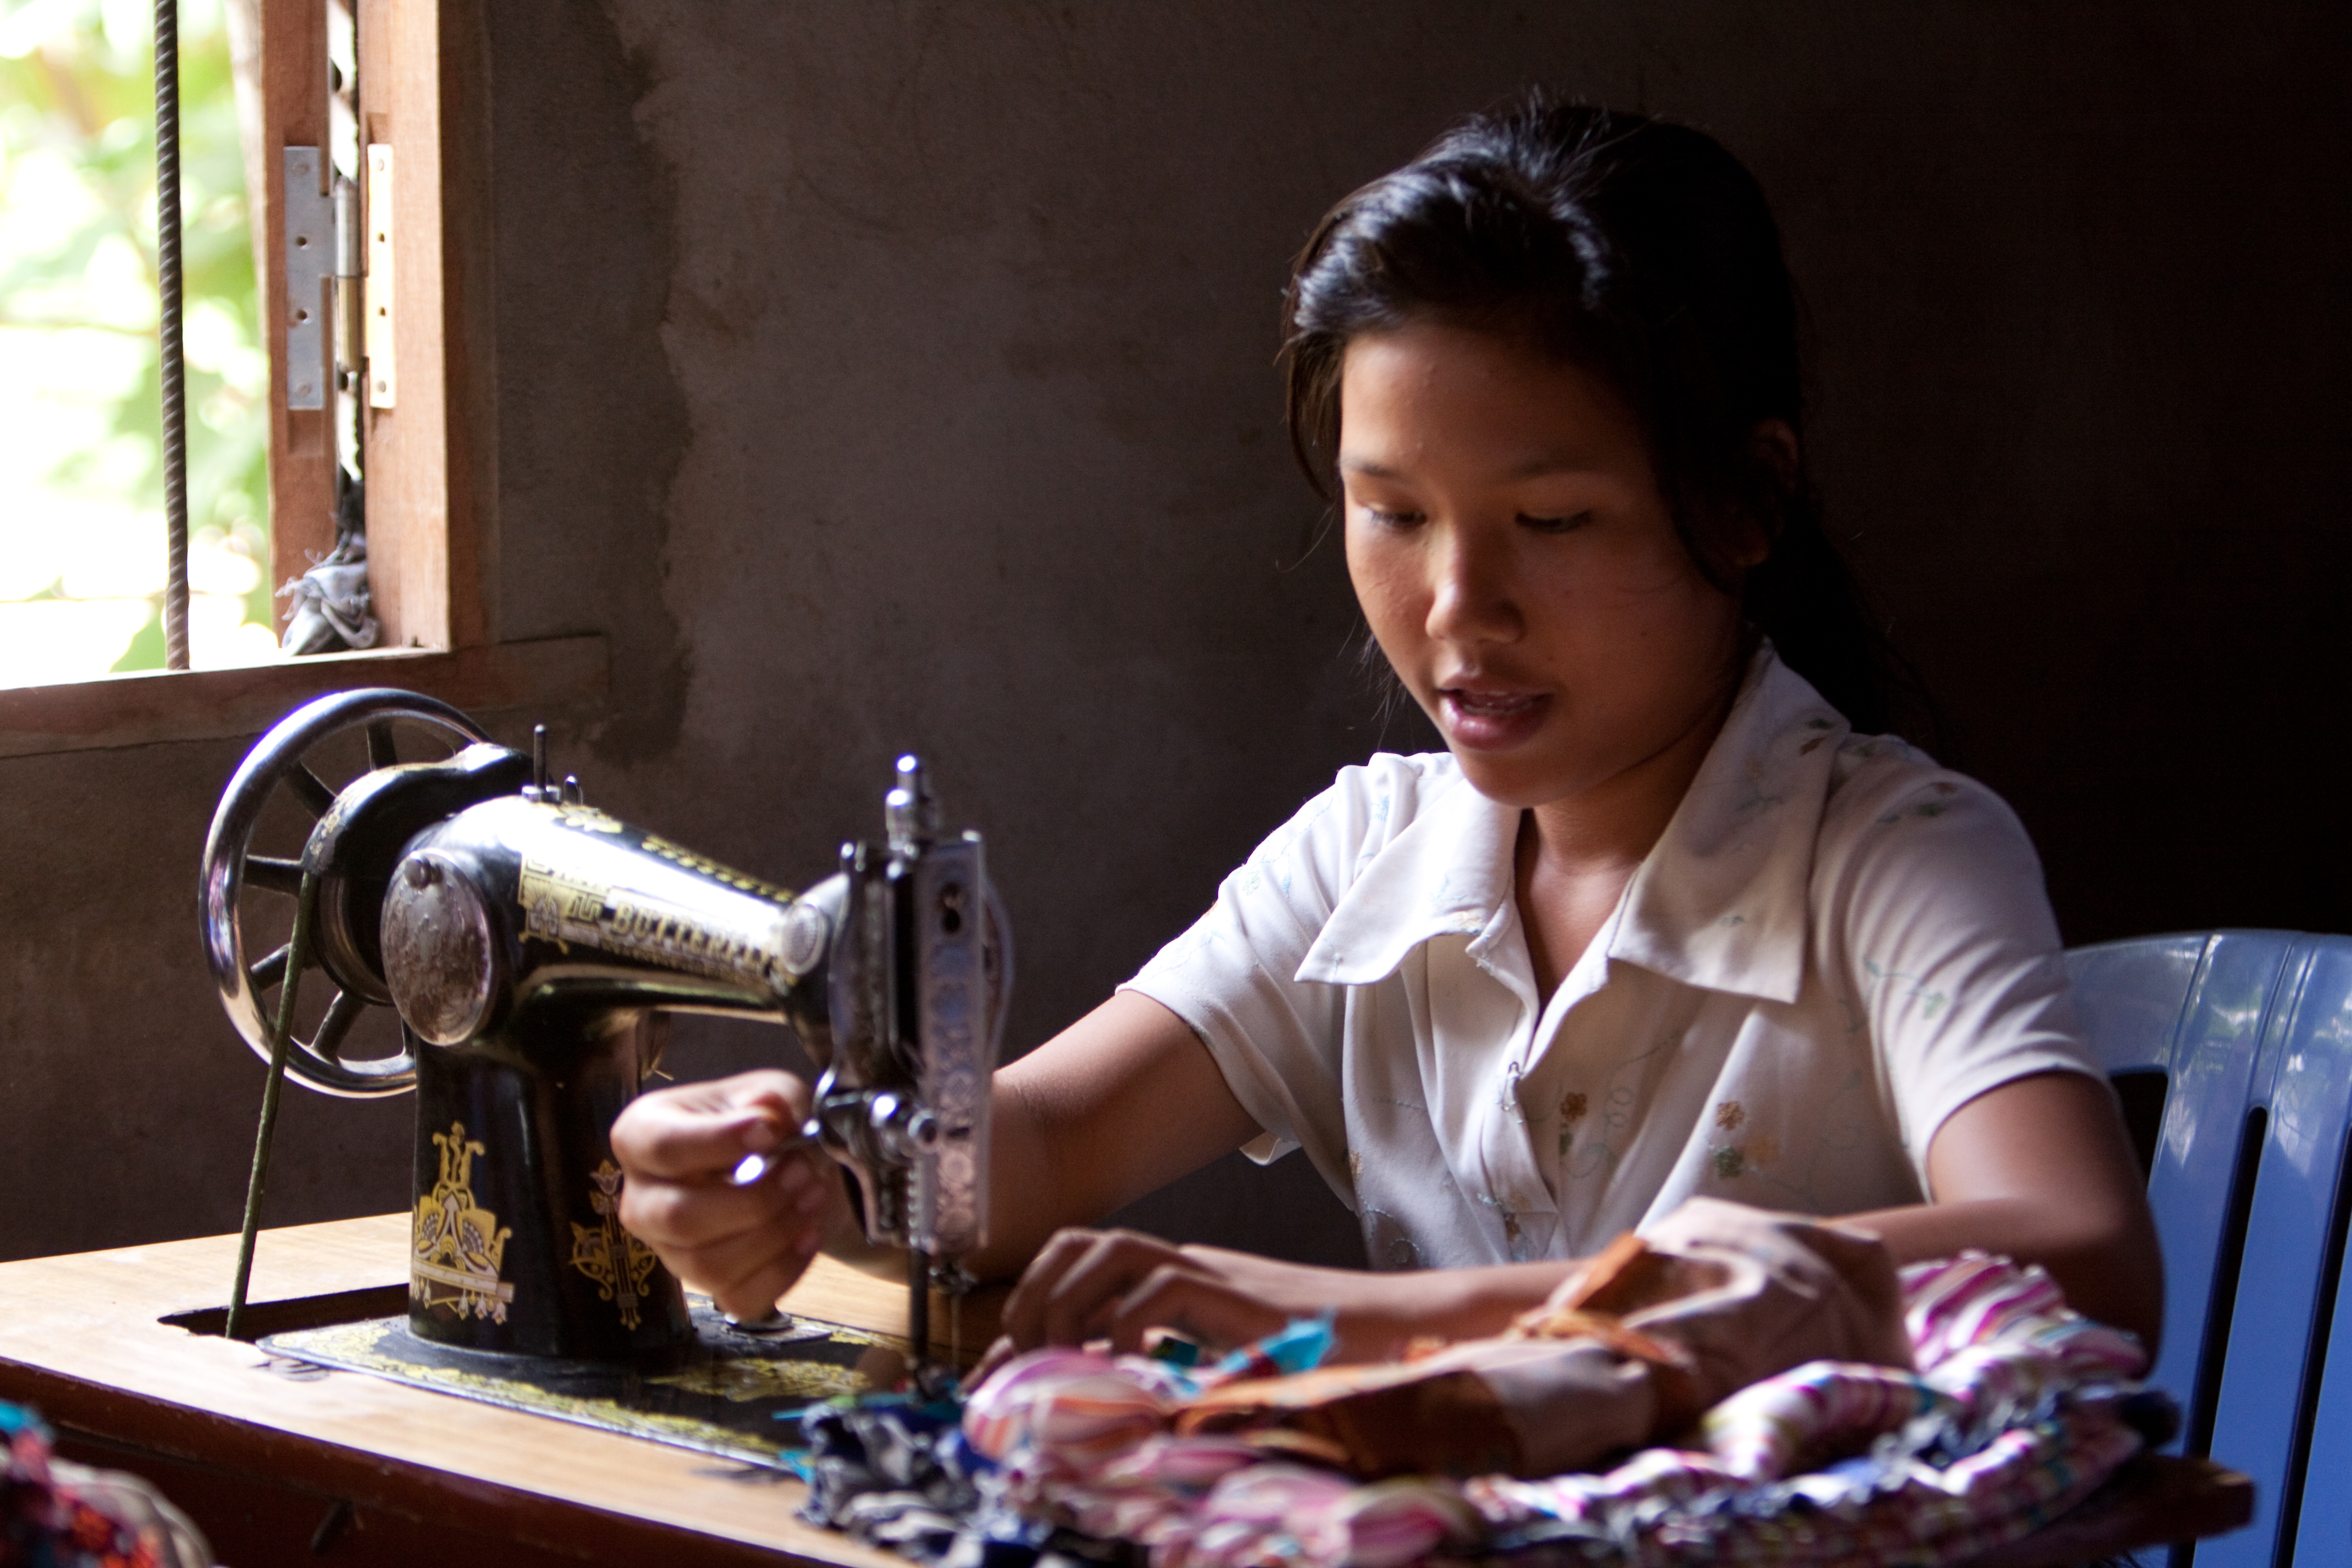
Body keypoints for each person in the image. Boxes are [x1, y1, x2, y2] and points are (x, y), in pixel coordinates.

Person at [612, 99, 2162, 1371]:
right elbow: (1045, 1146)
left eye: (1550, 519)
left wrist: (1369, 1322)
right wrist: (796, 1169)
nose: (1456, 607)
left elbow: (2084, 1259)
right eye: (1393, 516)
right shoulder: (1376, 860)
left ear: (1748, 499)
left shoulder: (1892, 864)